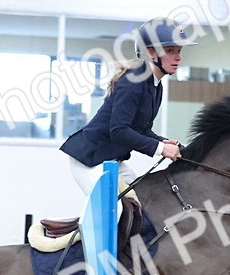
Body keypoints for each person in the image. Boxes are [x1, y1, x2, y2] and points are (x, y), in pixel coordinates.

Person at [60, 18, 196, 197]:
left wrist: (162, 142)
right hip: (89, 159)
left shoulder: (155, 85)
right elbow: (118, 131)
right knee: (114, 211)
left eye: (179, 50)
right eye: (170, 51)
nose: (178, 57)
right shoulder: (133, 82)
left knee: (142, 201)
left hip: (110, 160)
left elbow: (141, 129)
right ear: (151, 53)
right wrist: (161, 149)